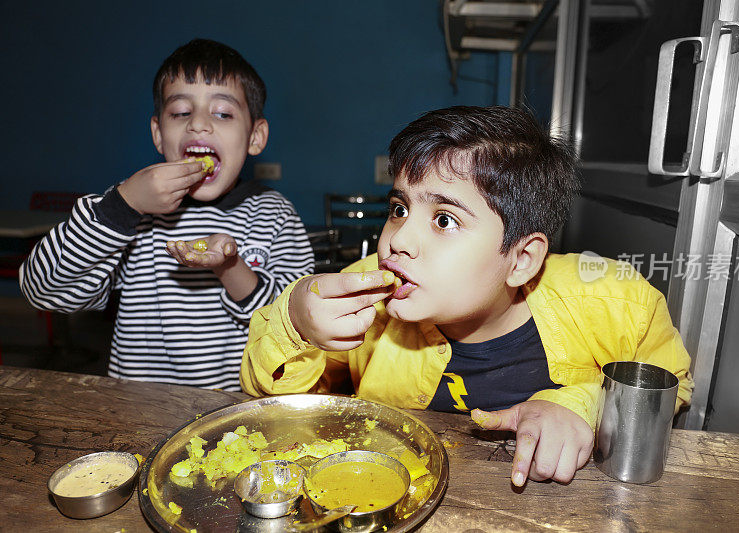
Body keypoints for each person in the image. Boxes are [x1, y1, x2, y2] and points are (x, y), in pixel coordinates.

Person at [240, 105, 693, 484]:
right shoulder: (366, 295)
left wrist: (580, 406)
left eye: (443, 220)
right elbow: (278, 402)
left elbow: (669, 382)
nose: (398, 240)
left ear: (521, 260)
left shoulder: (613, 300)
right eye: (399, 209)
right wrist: (296, 325)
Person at [20, 39, 313, 390]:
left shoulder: (273, 214)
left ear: (255, 136)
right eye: (180, 112)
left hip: (235, 410)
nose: (199, 125)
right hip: (138, 406)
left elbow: (295, 324)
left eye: (222, 113)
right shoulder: (131, 213)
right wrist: (122, 205)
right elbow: (42, 290)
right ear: (159, 134)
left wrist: (229, 266)